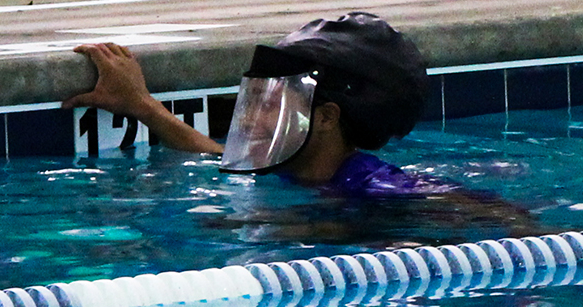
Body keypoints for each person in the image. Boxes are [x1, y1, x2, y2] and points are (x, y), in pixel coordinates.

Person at [64, 12, 463, 197]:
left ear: (325, 118)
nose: (251, 117)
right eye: (254, 100)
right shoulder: (291, 166)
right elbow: (214, 153)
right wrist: (141, 105)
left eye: (272, 104)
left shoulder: (375, 185)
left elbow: (496, 218)